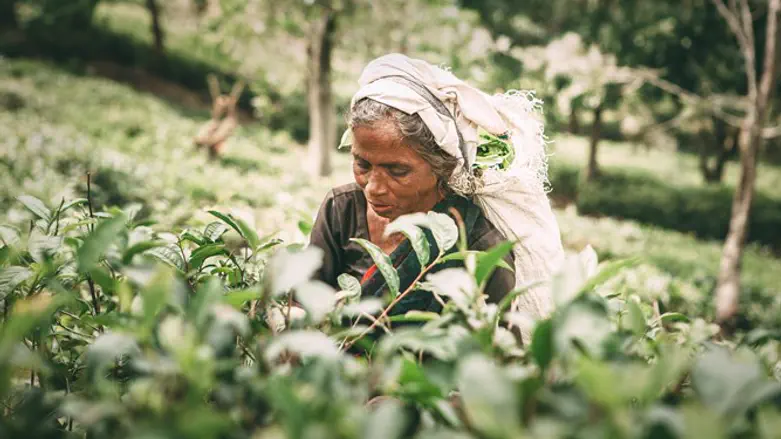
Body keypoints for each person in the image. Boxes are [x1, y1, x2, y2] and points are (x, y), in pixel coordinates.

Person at [309, 54, 564, 340]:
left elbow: (499, 349)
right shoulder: (341, 210)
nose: (373, 188)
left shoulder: (478, 245)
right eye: (363, 165)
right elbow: (304, 301)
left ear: (441, 166)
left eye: (397, 171)